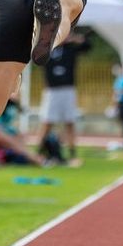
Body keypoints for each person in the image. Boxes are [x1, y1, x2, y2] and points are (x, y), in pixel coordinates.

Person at [35, 32, 90, 164]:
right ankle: (38, 150)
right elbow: (36, 56)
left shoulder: (71, 48)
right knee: (47, 121)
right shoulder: (47, 48)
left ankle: (72, 152)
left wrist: (75, 38)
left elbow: (87, 46)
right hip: (52, 90)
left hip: (68, 89)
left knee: (69, 122)